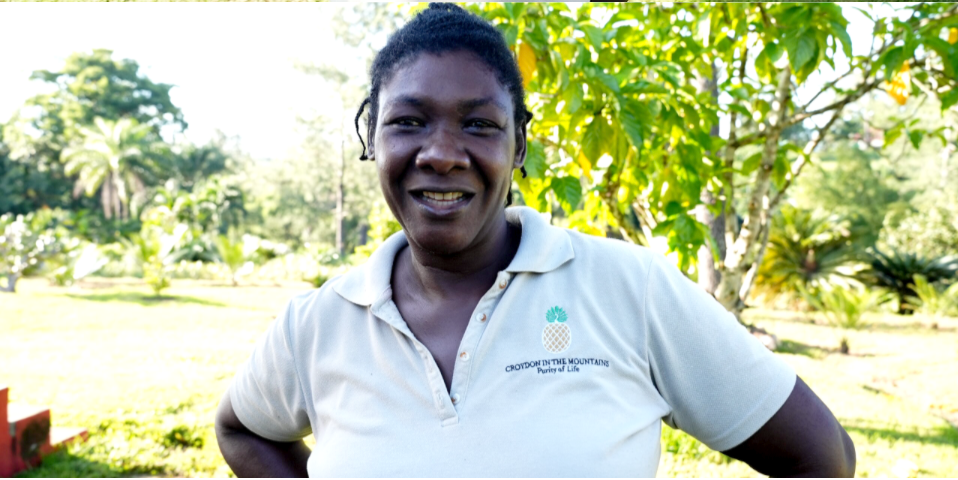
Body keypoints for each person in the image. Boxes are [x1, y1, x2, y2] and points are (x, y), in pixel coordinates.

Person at [215, 3, 856, 477]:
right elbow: (241, 428)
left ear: (518, 145)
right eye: (408, 121)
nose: (441, 153)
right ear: (371, 139)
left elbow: (821, 456)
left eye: (478, 123)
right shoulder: (319, 322)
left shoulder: (628, 289)